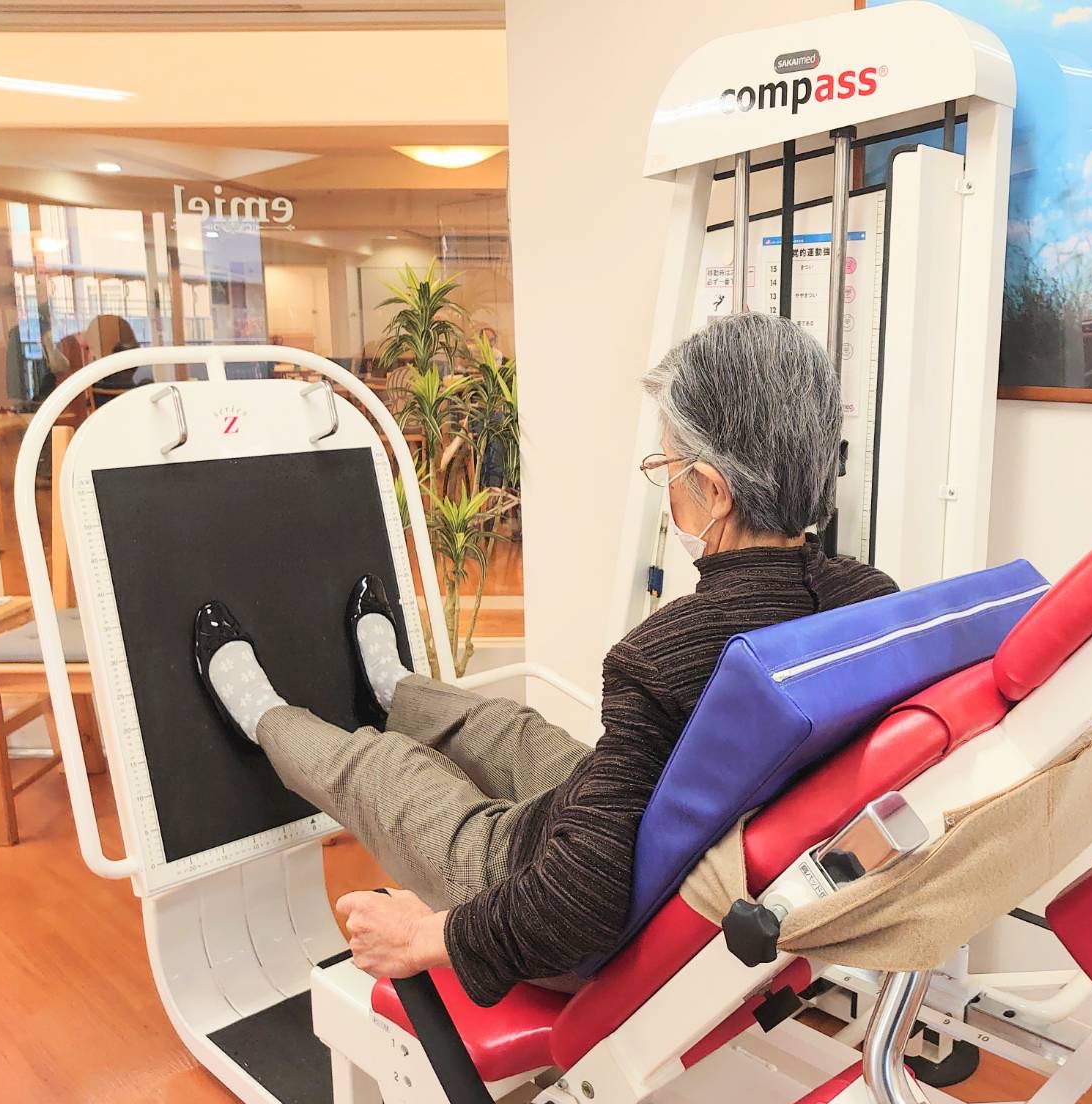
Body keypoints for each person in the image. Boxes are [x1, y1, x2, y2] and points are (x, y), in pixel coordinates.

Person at [190, 311, 896, 1006]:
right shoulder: (868, 601)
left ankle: (261, 715)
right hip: (658, 827)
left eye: (666, 467)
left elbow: (576, 903)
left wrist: (424, 935)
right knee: (511, 730)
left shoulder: (667, 654)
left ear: (712, 491)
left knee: (385, 767)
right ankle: (394, 687)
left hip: (556, 908)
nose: (666, 491)